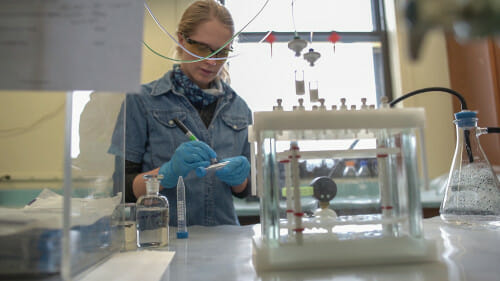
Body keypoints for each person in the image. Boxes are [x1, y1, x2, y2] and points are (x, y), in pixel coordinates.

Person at [109, 0, 252, 226]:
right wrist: (166, 173)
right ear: (181, 40)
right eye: (201, 47)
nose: (211, 61)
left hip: (225, 241)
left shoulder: (240, 109)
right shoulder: (142, 101)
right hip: (162, 242)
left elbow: (244, 191)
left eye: (221, 51)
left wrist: (241, 180)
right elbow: (119, 190)